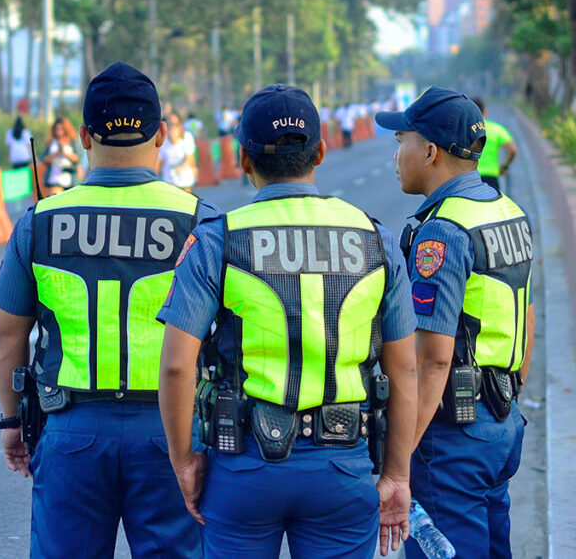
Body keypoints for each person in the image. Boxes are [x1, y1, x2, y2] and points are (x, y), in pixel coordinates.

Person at [158, 84, 419, 558]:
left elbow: (178, 366)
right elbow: (404, 370)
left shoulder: (219, 239)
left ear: (243, 159)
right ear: (320, 151)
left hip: (244, 469)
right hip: (341, 466)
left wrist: (184, 462)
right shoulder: (374, 237)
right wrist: (397, 474)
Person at [0, 62, 218, 558]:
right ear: (160, 135)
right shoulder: (201, 219)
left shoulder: (40, 220)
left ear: (84, 137)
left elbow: (7, 337)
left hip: (72, 432)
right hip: (171, 431)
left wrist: (11, 422)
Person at [375, 88, 535, 559]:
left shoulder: (444, 229)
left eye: (401, 139)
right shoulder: (507, 211)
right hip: (500, 421)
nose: (396, 154)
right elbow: (524, 316)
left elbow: (432, 358)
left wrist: (398, 463)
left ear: (429, 152)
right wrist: (506, 399)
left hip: (449, 436)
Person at [472, 98, 519, 192]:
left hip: (470, 177)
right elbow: (513, 150)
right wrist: (505, 166)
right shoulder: (496, 129)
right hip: (491, 177)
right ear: (485, 111)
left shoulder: (464, 130)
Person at [157, 112, 197, 192]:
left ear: (180, 126)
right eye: (169, 124)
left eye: (174, 124)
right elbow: (159, 163)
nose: (172, 127)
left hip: (185, 182)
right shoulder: (163, 141)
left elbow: (189, 160)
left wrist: (178, 169)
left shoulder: (187, 137)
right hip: (169, 183)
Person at [41, 117, 80, 194]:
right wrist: (56, 153)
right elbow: (44, 159)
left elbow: (77, 158)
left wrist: (65, 153)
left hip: (68, 180)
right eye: (57, 129)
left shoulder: (71, 141)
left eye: (61, 129)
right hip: (54, 179)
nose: (59, 131)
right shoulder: (51, 142)